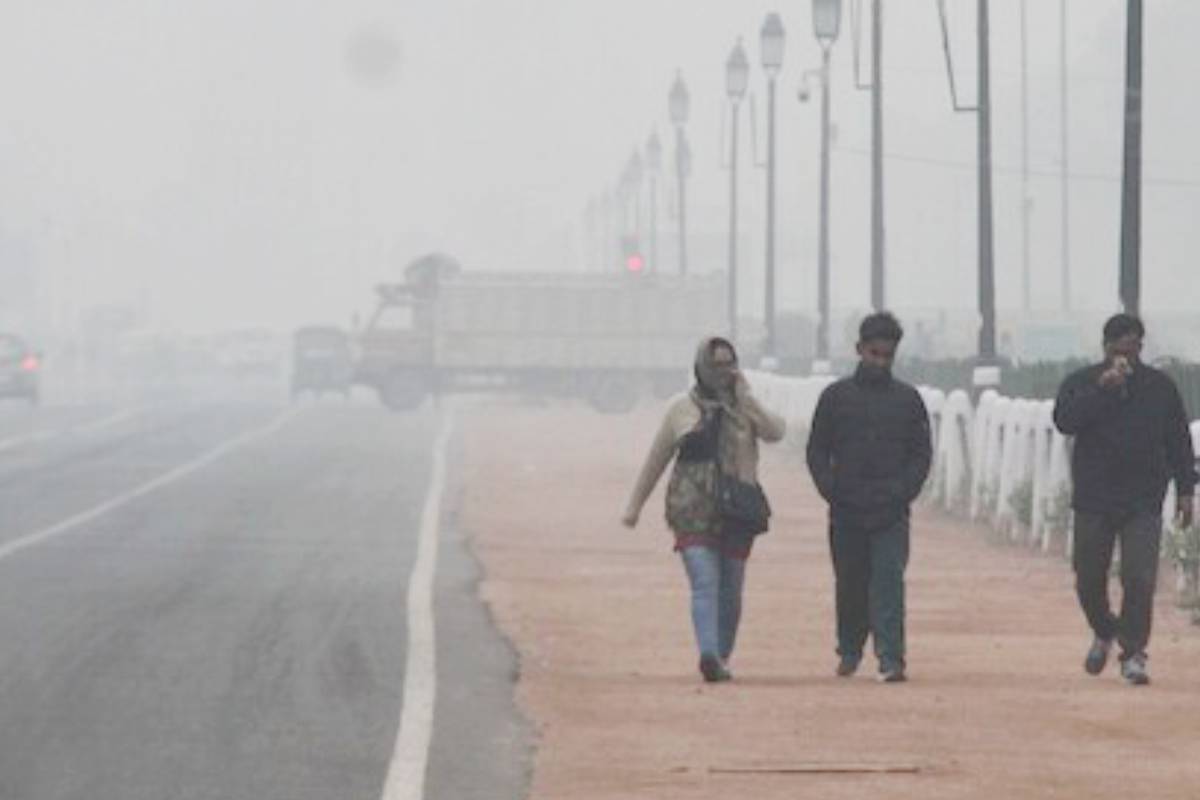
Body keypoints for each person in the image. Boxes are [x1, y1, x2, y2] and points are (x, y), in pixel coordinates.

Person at [622, 336, 786, 682]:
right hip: (692, 508)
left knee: (732, 587)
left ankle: (722, 655)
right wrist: (634, 506)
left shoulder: (744, 407)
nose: (724, 371)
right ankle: (708, 654)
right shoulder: (680, 409)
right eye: (717, 364)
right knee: (705, 581)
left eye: (730, 363)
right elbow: (657, 459)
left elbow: (775, 432)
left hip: (738, 509)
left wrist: (746, 399)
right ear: (700, 367)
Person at [1052, 313, 1196, 686]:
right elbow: (1065, 421)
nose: (1124, 357)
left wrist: (1185, 490)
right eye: (1117, 349)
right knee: (1088, 578)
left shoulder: (1160, 388)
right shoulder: (1082, 382)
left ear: (1139, 347)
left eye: (1130, 348)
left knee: (1139, 576)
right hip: (1094, 498)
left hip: (1142, 499)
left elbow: (1178, 440)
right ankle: (1105, 629)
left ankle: (1133, 651)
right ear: (1105, 348)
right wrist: (1103, 389)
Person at [806, 312, 932, 683]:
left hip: (891, 511)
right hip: (846, 510)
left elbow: (921, 455)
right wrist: (831, 489)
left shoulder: (908, 401)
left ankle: (891, 657)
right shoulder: (835, 398)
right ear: (859, 349)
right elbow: (817, 450)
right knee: (850, 582)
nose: (880, 362)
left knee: (889, 581)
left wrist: (903, 491)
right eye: (874, 353)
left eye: (887, 356)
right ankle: (849, 648)